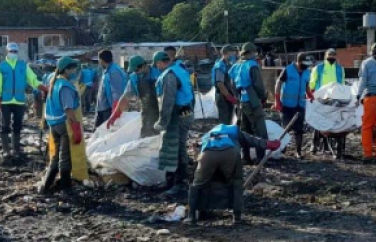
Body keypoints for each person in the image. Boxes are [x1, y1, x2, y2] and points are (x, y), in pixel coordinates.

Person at [188, 124, 281, 225]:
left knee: (198, 184)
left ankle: (192, 216)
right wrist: (268, 144)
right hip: (230, 152)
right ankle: (237, 217)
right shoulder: (234, 131)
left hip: (208, 154)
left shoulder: (207, 135)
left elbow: (201, 153)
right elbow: (251, 140)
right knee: (236, 181)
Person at [0, 42, 46, 160]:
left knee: (17, 126)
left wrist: (42, 88)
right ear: (7, 52)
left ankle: (16, 150)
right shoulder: (1, 67)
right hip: (5, 101)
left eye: (15, 52)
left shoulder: (23, 65)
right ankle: (6, 150)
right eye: (11, 51)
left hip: (19, 101)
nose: (13, 54)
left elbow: (32, 79)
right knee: (5, 126)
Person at [39, 57, 84, 194]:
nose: (75, 71)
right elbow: (68, 109)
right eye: (73, 68)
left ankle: (45, 187)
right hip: (64, 124)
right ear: (67, 69)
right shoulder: (65, 86)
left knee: (55, 158)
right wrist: (76, 126)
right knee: (65, 158)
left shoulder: (55, 81)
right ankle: (66, 188)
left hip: (54, 124)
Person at [153, 50, 194, 199]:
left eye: (157, 65)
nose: (157, 68)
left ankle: (179, 184)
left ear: (160, 63)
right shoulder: (181, 70)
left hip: (176, 115)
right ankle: (171, 181)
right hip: (186, 111)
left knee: (175, 148)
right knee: (176, 146)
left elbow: (168, 100)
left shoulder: (169, 75)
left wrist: (162, 122)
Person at [107, 56, 160, 138]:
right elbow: (126, 97)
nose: (136, 72)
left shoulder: (159, 72)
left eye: (137, 70)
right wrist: (115, 114)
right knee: (146, 137)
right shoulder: (134, 78)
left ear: (144, 65)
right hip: (147, 112)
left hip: (163, 110)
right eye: (134, 71)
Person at [233, 42, 268, 164]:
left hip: (241, 101)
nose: (255, 54)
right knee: (259, 130)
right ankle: (260, 159)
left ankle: (245, 157)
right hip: (252, 101)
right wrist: (263, 97)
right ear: (251, 52)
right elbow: (258, 85)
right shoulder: (252, 66)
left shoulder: (236, 66)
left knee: (245, 130)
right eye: (254, 52)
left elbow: (232, 83)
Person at [274, 53, 313, 158]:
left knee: (299, 130)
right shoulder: (288, 70)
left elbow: (306, 85)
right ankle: (282, 150)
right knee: (285, 129)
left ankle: (298, 152)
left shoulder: (307, 72)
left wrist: (310, 95)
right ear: (299, 62)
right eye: (304, 63)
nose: (306, 66)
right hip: (287, 105)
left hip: (300, 105)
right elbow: (278, 83)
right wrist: (277, 100)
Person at [310, 49, 344, 153]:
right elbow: (312, 82)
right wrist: (310, 94)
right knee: (318, 122)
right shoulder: (318, 68)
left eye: (334, 55)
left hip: (335, 99)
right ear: (325, 56)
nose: (331, 56)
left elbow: (342, 83)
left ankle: (329, 145)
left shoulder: (340, 68)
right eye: (329, 54)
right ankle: (314, 144)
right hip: (321, 98)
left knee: (333, 122)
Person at [95, 49, 128, 128]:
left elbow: (117, 92)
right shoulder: (107, 70)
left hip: (108, 109)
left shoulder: (114, 72)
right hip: (102, 108)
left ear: (102, 60)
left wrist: (115, 111)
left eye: (99, 60)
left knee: (106, 132)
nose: (99, 62)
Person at [211, 45, 239, 125]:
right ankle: (223, 136)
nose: (234, 54)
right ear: (226, 53)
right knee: (224, 120)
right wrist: (229, 97)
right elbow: (220, 84)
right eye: (232, 52)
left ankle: (227, 135)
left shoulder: (228, 64)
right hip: (222, 96)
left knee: (229, 118)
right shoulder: (220, 66)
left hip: (228, 95)